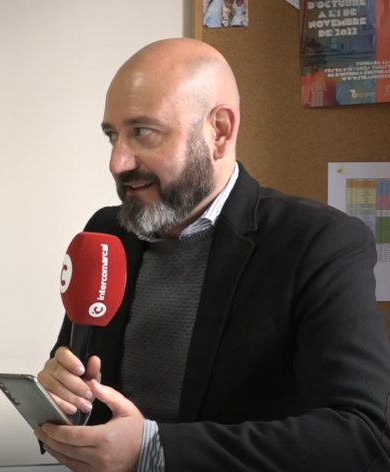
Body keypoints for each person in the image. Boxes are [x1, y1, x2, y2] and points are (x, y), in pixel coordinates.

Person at [35, 38, 390, 472]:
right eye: (113, 135)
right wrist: (61, 396)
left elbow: (362, 435)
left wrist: (154, 450)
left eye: (142, 132)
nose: (117, 161)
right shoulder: (107, 231)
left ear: (218, 132)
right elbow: (79, 375)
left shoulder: (320, 243)